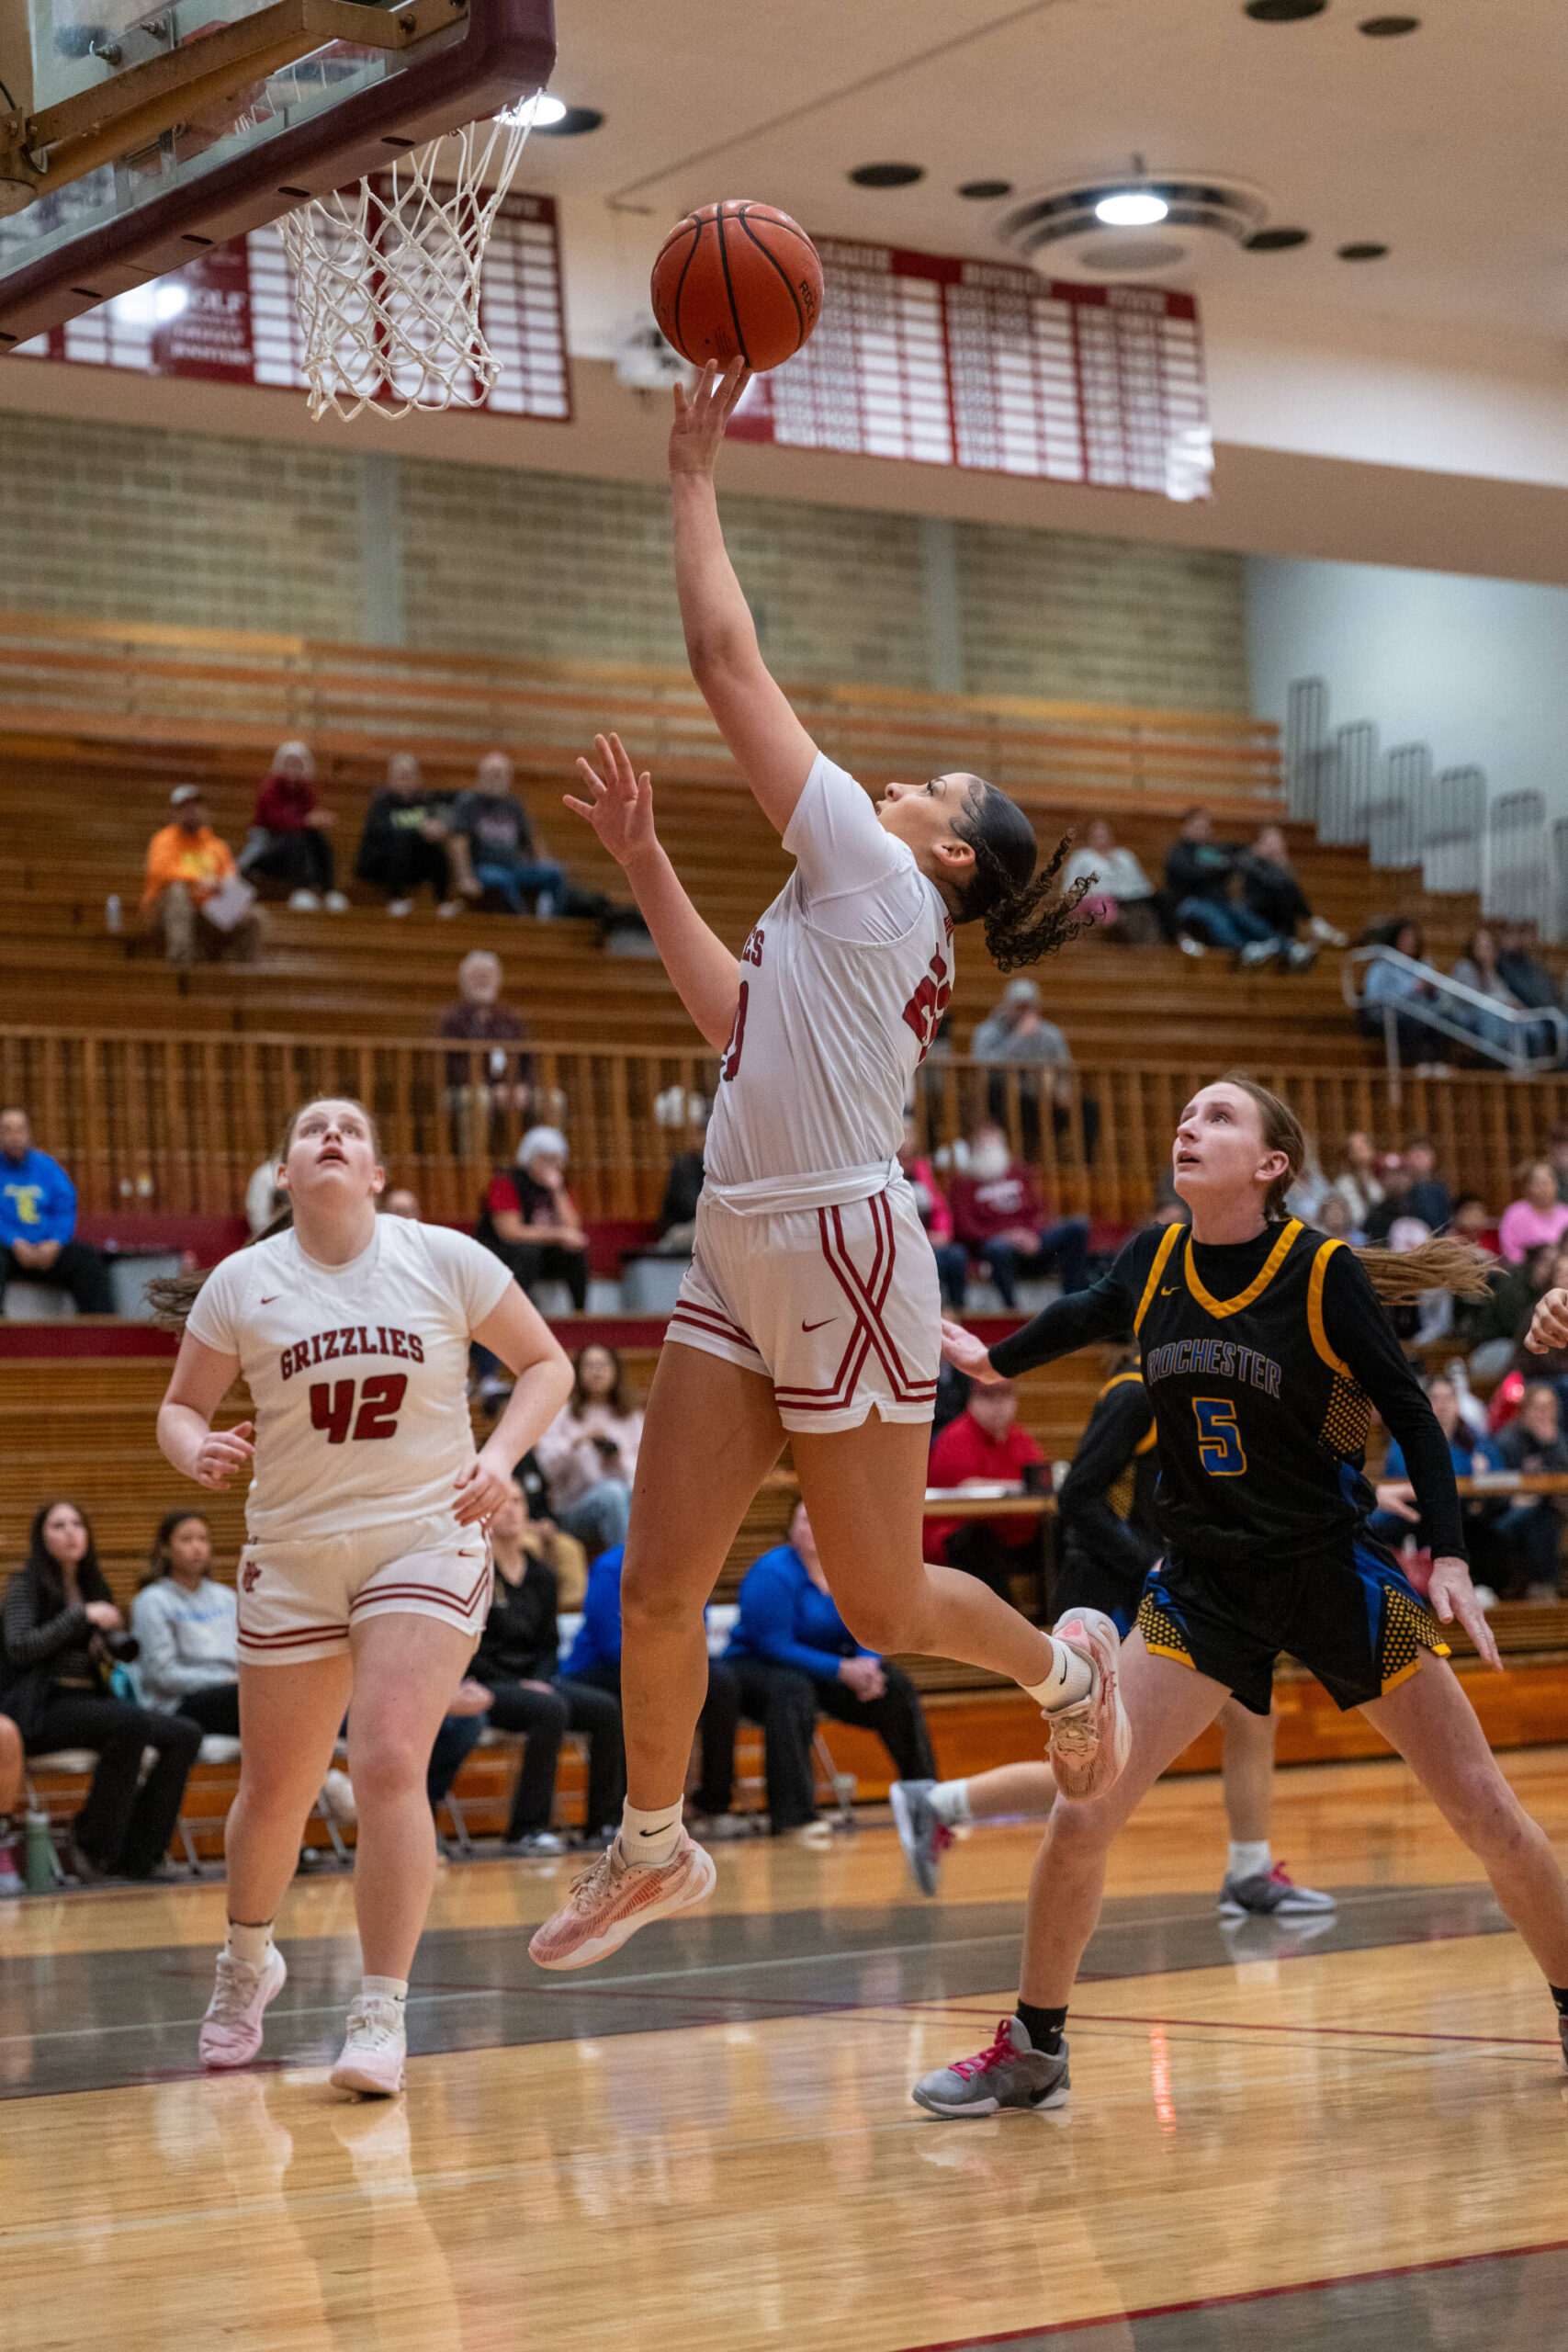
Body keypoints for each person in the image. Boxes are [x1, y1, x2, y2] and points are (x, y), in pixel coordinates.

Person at [529, 359, 1122, 1977]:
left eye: (936, 786)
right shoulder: (854, 906)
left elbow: (726, 660)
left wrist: (690, 473)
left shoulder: (869, 872)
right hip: (739, 1237)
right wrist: (649, 865)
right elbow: (738, 1020)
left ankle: (1066, 1677)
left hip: (846, 1248)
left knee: (876, 1602)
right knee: (656, 1585)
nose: (903, 775)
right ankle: (651, 1849)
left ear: (943, 850)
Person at [918, 1073, 1568, 2116]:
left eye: (1219, 1116)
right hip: (1201, 1584)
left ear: (1271, 1167)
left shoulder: (1318, 1271)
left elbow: (1407, 1405)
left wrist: (1447, 1556)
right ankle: (1035, 2045)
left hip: (1329, 1574)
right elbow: (1090, 1309)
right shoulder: (1158, 1257)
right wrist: (991, 1352)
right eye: (1185, 1112)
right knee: (1084, 1814)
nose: (1189, 1124)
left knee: (1486, 1808)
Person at [152, 1093, 571, 2096]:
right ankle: (247, 1961)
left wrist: (504, 1456)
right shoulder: (242, 1284)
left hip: (422, 1536)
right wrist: (193, 1446)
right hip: (294, 1550)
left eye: (350, 1130)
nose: (331, 1135)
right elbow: (180, 1406)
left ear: (376, 1174)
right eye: (310, 1129)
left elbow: (546, 1364)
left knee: (386, 1756)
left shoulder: (443, 1256)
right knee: (276, 1792)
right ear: (286, 1175)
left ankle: (382, 2008)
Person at [896, 1356, 1337, 1918]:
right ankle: (939, 1803)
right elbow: (1077, 1495)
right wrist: (1148, 1562)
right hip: (1106, 1590)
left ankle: (1250, 1871)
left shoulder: (1198, 1386)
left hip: (1154, 1587)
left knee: (1253, 1715)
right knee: (1105, 1765)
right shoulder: (1135, 1393)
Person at [0, 1499, 202, 1881]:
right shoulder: (24, 1586)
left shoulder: (95, 1586)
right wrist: (80, 1618)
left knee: (185, 1734)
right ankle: (92, 1842)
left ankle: (142, 1853)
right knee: (129, 1724)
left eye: (77, 1523)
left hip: (90, 1704)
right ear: (41, 1538)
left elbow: (104, 1666)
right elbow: (19, 1648)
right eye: (58, 1525)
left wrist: (102, 1652)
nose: (70, 1532)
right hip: (41, 1707)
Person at [424, 1475, 624, 1852]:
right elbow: (471, 1650)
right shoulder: (470, 1573)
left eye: (518, 1500)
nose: (513, 1509)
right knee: (549, 1709)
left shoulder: (541, 1576)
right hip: (485, 1682)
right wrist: (518, 1685)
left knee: (606, 1709)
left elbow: (548, 1645)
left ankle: (603, 1822)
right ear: (483, 1514)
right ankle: (526, 1829)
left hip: (535, 1680)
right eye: (503, 1501)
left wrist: (539, 1678)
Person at [727, 1499, 936, 1843]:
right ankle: (792, 1816)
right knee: (792, 1691)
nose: (811, 1529)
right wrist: (841, 1669)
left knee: (895, 1685)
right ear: (791, 1529)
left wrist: (868, 1662)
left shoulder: (852, 1569)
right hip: (758, 1667)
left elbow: (876, 1622)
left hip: (827, 1670)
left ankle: (927, 1802)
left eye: (819, 1520)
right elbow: (773, 1643)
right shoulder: (772, 1572)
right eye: (804, 1521)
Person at [560, 1544, 740, 1836]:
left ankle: (714, 1803)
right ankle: (612, 1818)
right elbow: (610, 1644)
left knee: (721, 1683)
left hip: (661, 1662)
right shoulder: (610, 1567)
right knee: (627, 1696)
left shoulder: (692, 1565)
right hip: (598, 1670)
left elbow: (696, 1627)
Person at [924, 1379, 1047, 1607]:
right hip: (957, 1534)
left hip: (1010, 1530)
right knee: (975, 1539)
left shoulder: (1020, 1438)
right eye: (989, 1397)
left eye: (1006, 1397)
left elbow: (1040, 1479)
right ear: (972, 1401)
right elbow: (965, 1488)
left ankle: (1055, 1618)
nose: (999, 1406)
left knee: (1057, 1535)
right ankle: (1006, 1623)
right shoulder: (955, 1437)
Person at [1368, 1373, 1498, 1585]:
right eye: (1435, 1398)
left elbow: (1496, 1468)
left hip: (1459, 1510)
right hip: (1407, 1514)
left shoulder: (1472, 1438)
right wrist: (1468, 1468)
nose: (1443, 1405)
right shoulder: (1407, 1438)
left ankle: (1482, 1586)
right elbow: (1416, 1475)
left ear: (1457, 1403)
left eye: (1448, 1398)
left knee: (1483, 1527)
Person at [948, 1119, 1091, 1308]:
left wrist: (1029, 1234)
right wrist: (1009, 1236)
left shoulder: (1020, 1172)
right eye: (983, 1141)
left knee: (1078, 1226)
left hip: (1031, 1239)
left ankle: (1074, 1299)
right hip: (996, 1246)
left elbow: (1039, 1211)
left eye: (994, 1139)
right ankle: (1011, 1309)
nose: (989, 1145)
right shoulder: (963, 1183)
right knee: (997, 1249)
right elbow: (966, 1229)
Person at [131, 1510, 241, 1733]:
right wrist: (223, 1681)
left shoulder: (226, 1597)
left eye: (203, 1539)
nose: (197, 1547)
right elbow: (162, 1675)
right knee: (252, 1702)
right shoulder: (152, 1600)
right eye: (186, 1539)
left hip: (232, 1691)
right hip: (179, 1704)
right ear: (165, 1548)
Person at [970, 977, 1098, 1164]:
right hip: (1007, 1100)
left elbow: (1064, 1069)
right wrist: (1019, 1038)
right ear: (1007, 1006)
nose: (1025, 1013)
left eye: (1029, 1007)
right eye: (1019, 1007)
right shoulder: (987, 1032)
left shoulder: (1050, 1035)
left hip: (1045, 1100)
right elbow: (983, 1067)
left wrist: (1062, 1093)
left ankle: (1085, 1165)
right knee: (996, 1092)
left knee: (1088, 1108)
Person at [0, 1106, 113, 1316]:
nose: (15, 1137)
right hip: (10, 1250)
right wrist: (13, 1241)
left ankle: (99, 1330)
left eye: (20, 1129)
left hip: (49, 1250)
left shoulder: (47, 1167)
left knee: (87, 1259)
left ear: (29, 1133)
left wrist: (55, 1241)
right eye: (8, 1130)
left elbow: (65, 1206)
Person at [536, 1344, 643, 1558]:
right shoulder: (562, 1414)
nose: (597, 1371)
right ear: (578, 1371)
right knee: (612, 1493)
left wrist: (618, 1458)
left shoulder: (632, 1417)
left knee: (633, 1497)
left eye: (603, 1365)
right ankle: (623, 1570)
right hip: (572, 1510)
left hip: (622, 1499)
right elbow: (545, 1470)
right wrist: (576, 1442)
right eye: (589, 1365)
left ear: (615, 1371)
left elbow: (646, 1476)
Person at [1164, 808, 1306, 967]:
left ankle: (1288, 948)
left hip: (1220, 901)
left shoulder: (1211, 851)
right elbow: (1195, 873)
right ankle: (1245, 948)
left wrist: (1258, 852)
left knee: (1250, 921)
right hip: (1190, 903)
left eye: (1205, 827)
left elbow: (1234, 856)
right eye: (1197, 827)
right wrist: (1222, 865)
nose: (1202, 832)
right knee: (1220, 922)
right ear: (1185, 827)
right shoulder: (1179, 853)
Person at [477, 1128, 591, 1315]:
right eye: (544, 1159)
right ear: (528, 1158)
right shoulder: (506, 1183)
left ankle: (580, 1312)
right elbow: (509, 1232)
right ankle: (517, 1313)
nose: (551, 1166)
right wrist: (558, 1234)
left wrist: (557, 1191)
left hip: (539, 1254)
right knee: (527, 1251)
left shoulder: (558, 1187)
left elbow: (573, 1230)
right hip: (502, 1253)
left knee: (574, 1250)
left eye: (556, 1160)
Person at [141, 785, 259, 964]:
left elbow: (230, 881)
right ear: (174, 813)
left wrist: (232, 903)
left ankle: (243, 973)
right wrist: (202, 882)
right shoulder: (163, 840)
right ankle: (180, 960)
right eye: (186, 807)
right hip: (166, 912)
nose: (193, 811)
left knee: (254, 915)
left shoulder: (217, 847)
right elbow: (161, 873)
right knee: (178, 891)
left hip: (206, 911)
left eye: (197, 806)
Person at [447, 751, 567, 918]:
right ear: (481, 776)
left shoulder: (514, 805)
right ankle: (521, 919)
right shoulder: (468, 803)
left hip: (514, 866)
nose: (496, 779)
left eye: (501, 775)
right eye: (492, 774)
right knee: (501, 879)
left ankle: (552, 921)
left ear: (508, 778)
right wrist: (465, 878)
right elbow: (459, 842)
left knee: (554, 872)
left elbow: (530, 839)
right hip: (483, 868)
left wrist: (542, 862)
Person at [238, 741, 346, 910]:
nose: (293, 767)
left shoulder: (306, 791)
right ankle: (303, 886)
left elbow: (306, 820)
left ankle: (327, 889)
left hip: (294, 846)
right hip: (268, 842)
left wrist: (317, 822)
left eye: (298, 763)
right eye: (289, 762)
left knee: (317, 838)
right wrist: (307, 821)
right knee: (298, 837)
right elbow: (275, 820)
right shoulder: (270, 788)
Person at [1486, 1383, 1568, 1603]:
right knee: (1539, 1513)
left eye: (1550, 1408)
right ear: (1524, 1412)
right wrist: (1513, 1497)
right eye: (1538, 1408)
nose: (1545, 1414)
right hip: (1508, 1513)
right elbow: (1495, 1483)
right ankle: (1544, 1584)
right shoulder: (1508, 1439)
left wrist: (1551, 1446)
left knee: (1543, 1511)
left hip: (1550, 1509)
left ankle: (1544, 1585)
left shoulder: (1558, 1440)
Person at [355, 752, 458, 917]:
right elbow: (379, 832)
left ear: (418, 779)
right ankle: (396, 898)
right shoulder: (381, 803)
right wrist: (417, 830)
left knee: (435, 845)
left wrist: (437, 829)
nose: (405, 781)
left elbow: (433, 824)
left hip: (414, 864)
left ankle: (443, 900)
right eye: (401, 777)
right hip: (383, 862)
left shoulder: (424, 802)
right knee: (401, 840)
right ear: (391, 779)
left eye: (409, 776)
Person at [898, 1114, 968, 1311]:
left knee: (956, 1255)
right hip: (905, 1241)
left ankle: (959, 1311)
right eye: (903, 1157)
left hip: (929, 1238)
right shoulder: (885, 1170)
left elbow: (938, 1207)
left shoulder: (921, 1168)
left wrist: (942, 1234)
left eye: (910, 1134)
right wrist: (920, 1237)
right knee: (933, 1262)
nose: (907, 1162)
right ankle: (931, 1313)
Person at [1239, 824, 1345, 949]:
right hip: (1256, 909)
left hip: (1277, 909)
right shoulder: (1251, 859)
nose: (1273, 844)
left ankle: (1303, 929)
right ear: (1260, 842)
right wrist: (1259, 858)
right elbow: (1267, 883)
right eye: (1269, 840)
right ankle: (1313, 923)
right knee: (1284, 890)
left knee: (1286, 894)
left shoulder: (1282, 864)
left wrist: (1280, 862)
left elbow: (1290, 887)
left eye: (1276, 839)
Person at [1359, 921, 1448, 1066]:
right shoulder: (1382, 966)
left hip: (1420, 1011)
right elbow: (1374, 996)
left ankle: (1437, 1063)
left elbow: (1439, 997)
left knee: (1443, 1020)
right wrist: (1412, 988)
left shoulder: (1424, 965)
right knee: (1413, 1021)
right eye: (1406, 938)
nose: (1410, 942)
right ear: (1396, 939)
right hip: (1390, 1014)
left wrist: (1432, 989)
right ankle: (1418, 1063)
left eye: (1413, 939)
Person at [1062, 817, 1162, 944]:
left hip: (1130, 901)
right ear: (1089, 837)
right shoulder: (1081, 857)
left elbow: (1142, 884)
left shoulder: (1125, 856)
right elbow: (1070, 886)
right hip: (1096, 901)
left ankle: (1147, 948)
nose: (1101, 839)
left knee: (1148, 912)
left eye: (1104, 835)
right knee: (1111, 914)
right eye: (1097, 835)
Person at [1499, 1159, 1568, 1267]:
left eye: (1547, 1183)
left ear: (1556, 1185)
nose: (1543, 1189)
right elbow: (1511, 1251)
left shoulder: (1565, 1213)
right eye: (1538, 1184)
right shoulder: (1515, 1213)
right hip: (1526, 1271)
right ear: (1528, 1187)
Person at [1398, 1136, 1452, 1234]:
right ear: (1406, 1158)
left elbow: (1445, 1220)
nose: (1419, 1160)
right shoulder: (1399, 1188)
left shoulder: (1439, 1187)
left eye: (1424, 1154)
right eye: (1415, 1155)